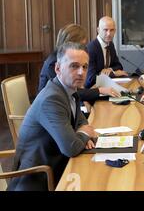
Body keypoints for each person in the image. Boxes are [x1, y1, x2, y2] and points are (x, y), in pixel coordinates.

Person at [8, 42, 97, 191]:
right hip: (38, 180)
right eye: (74, 66)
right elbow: (71, 147)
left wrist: (82, 134)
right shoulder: (51, 99)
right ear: (57, 69)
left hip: (58, 169)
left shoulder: (70, 91)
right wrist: (84, 135)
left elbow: (82, 123)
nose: (81, 72)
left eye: (85, 66)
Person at [38, 24, 120, 100]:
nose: (83, 49)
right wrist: (100, 90)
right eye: (81, 45)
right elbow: (70, 91)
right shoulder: (53, 63)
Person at [85, 16, 128, 88]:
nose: (109, 34)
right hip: (93, 90)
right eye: (105, 30)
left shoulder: (110, 44)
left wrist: (109, 69)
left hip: (107, 87)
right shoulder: (91, 48)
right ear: (98, 30)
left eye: (112, 30)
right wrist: (113, 73)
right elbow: (91, 78)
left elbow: (119, 66)